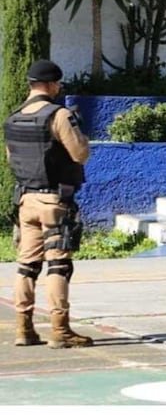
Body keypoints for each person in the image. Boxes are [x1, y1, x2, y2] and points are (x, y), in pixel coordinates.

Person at [4, 60, 92, 348]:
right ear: (52, 85)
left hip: (25, 199)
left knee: (27, 266)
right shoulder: (59, 115)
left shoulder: (13, 117)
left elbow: (9, 158)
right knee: (58, 265)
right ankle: (60, 329)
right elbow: (80, 154)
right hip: (54, 199)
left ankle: (23, 328)